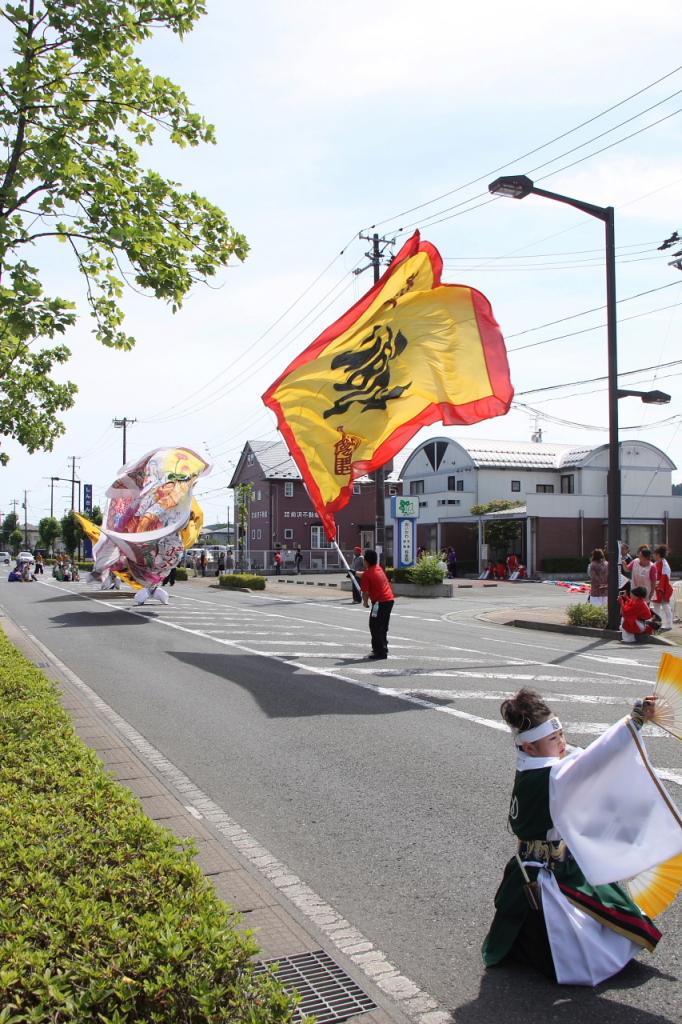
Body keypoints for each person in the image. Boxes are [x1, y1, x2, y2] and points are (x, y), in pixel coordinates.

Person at [482, 688, 665, 985]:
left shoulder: (534, 764)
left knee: (549, 918)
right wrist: (635, 720)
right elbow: (597, 759)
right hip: (548, 874)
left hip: (544, 863)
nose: (563, 743)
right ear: (529, 747)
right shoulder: (550, 774)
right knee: (572, 938)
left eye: (562, 734)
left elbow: (584, 758)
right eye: (554, 739)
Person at [361, 549, 394, 660]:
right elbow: (368, 574)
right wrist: (354, 573)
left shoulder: (367, 575)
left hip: (379, 603)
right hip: (389, 600)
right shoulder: (379, 568)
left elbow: (365, 593)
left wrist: (365, 603)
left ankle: (380, 652)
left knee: (375, 626)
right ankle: (383, 647)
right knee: (382, 626)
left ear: (366, 561)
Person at [652, 544, 674, 632]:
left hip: (664, 588)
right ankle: (657, 624)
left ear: (658, 554)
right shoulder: (656, 563)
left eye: (655, 554)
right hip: (657, 588)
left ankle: (669, 624)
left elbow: (665, 578)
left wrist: (661, 589)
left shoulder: (664, 565)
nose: (653, 555)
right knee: (656, 606)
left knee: (665, 606)